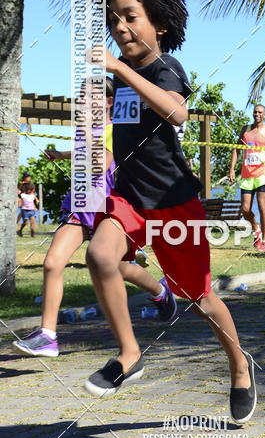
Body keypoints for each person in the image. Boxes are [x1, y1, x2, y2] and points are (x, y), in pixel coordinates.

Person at [82, 0, 256, 424]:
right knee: (101, 255)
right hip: (131, 198)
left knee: (201, 299)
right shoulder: (119, 81)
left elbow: (177, 111)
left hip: (175, 201)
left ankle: (240, 365)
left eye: (130, 17)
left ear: (158, 24)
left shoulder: (166, 68)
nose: (119, 27)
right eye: (113, 19)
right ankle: (130, 353)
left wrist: (120, 69)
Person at [12, 79, 175, 358]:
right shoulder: (87, 130)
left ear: (108, 103)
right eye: (82, 96)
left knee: (118, 269)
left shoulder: (115, 131)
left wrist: (87, 134)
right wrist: (62, 154)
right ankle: (48, 336)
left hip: (108, 207)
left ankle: (161, 291)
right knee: (52, 262)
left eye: (90, 97)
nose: (83, 102)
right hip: (79, 204)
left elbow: (101, 163)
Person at [228, 105, 265, 252]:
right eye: (255, 112)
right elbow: (236, 149)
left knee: (263, 206)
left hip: (263, 174)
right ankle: (256, 229)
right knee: (245, 209)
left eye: (260, 112)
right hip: (247, 174)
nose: (257, 114)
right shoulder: (245, 129)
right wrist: (232, 168)